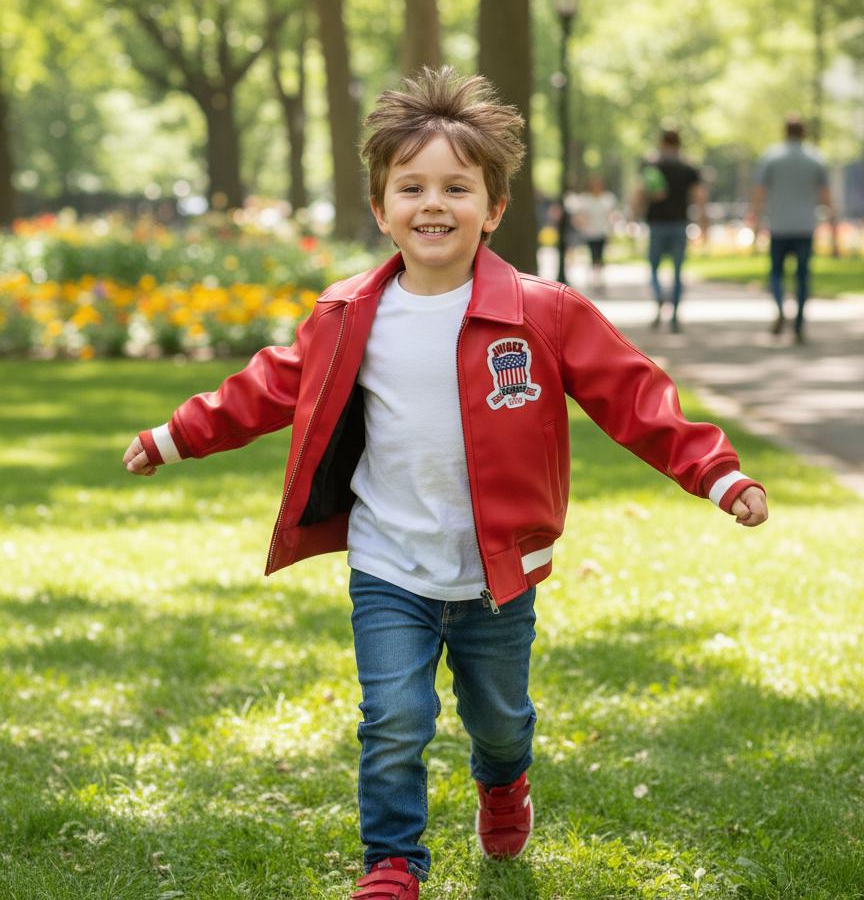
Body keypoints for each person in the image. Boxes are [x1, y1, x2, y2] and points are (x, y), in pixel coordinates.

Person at [122, 68, 768, 899]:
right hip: (389, 564)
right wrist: (175, 435)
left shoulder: (544, 313)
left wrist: (715, 473)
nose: (434, 203)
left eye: (457, 187)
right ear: (382, 206)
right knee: (393, 719)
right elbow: (270, 388)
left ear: (492, 209)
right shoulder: (348, 312)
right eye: (412, 186)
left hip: (497, 574)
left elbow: (634, 397)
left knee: (499, 720)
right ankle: (393, 861)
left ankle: (504, 783)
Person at [751, 117, 834, 343]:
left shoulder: (771, 157)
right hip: (805, 227)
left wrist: (756, 222)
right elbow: (826, 196)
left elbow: (759, 193)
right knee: (803, 277)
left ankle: (780, 309)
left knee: (776, 274)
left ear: (785, 131)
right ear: (804, 132)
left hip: (778, 226)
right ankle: (798, 323)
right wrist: (833, 225)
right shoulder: (815, 158)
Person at [634, 128, 707, 333]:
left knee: (654, 267)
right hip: (679, 222)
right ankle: (674, 314)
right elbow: (699, 195)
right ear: (679, 143)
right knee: (677, 270)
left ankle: (659, 297)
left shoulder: (650, 165)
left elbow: (639, 192)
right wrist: (703, 220)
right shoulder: (688, 167)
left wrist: (635, 215)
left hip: (656, 222)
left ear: (661, 142)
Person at [571, 175, 618, 293]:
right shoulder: (585, 199)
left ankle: (599, 278)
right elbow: (581, 215)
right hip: (590, 232)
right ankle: (595, 278)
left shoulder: (608, 198)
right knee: (593, 255)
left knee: (600, 255)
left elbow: (611, 214)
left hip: (603, 231)